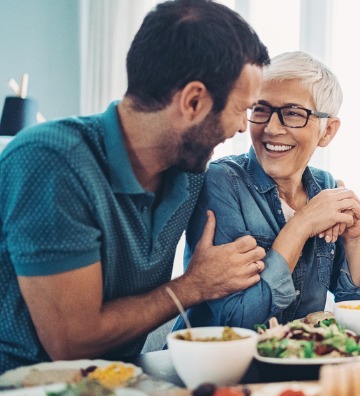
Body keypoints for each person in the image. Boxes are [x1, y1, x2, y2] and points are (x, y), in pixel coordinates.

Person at [0, 0, 270, 372]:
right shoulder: (50, 161)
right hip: (26, 386)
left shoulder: (189, 171)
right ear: (193, 101)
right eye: (242, 109)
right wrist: (193, 285)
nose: (243, 127)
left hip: (119, 381)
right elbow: (71, 341)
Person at [173, 51, 360, 331]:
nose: (271, 128)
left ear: (328, 131)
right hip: (213, 368)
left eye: (293, 114)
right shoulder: (220, 181)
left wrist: (355, 237)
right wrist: (301, 225)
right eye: (260, 109)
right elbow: (238, 324)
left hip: (292, 367)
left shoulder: (326, 188)